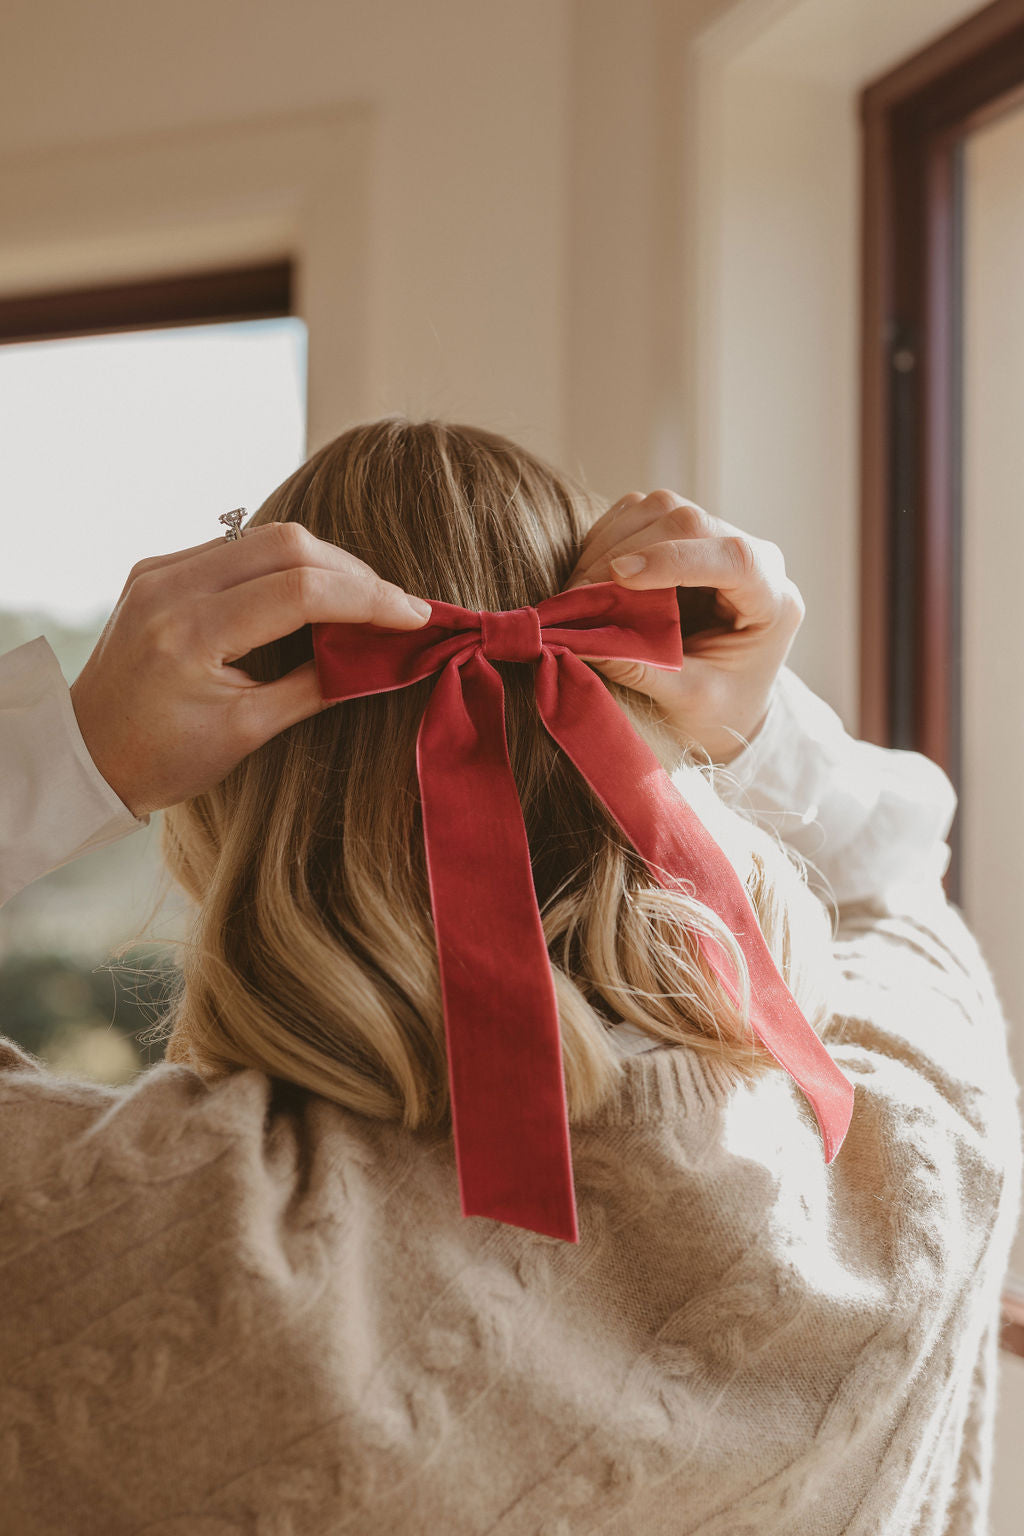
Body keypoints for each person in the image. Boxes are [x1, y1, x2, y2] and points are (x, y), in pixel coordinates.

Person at [0, 415, 1019, 1535]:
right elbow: (892, 866)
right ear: (638, 727)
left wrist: (75, 747)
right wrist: (761, 726)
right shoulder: (896, 1159)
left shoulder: (99, 1241)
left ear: (233, 812)